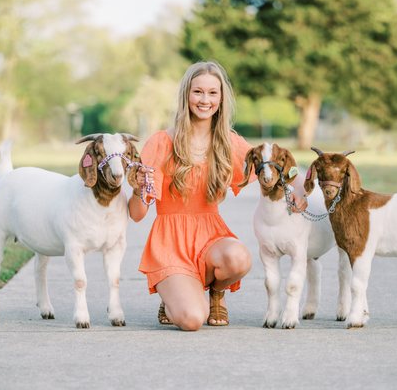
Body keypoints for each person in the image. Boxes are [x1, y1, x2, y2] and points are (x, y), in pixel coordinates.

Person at [127, 61, 308, 331]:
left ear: (221, 98)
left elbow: (280, 168)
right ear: (186, 95)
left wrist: (301, 191)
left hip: (210, 237)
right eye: (198, 92)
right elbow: (137, 214)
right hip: (170, 243)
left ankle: (216, 293)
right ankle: (173, 295)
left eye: (213, 93)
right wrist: (142, 188)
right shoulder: (161, 142)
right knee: (190, 321)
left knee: (239, 258)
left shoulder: (230, 143)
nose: (205, 100)